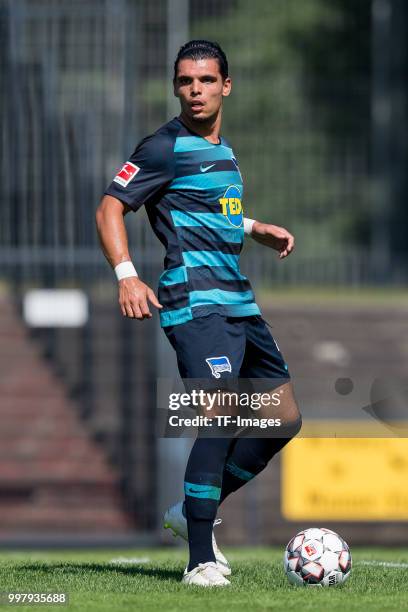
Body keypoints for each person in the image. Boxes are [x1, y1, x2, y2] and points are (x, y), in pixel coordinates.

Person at [96, 39, 302, 587]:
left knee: (282, 419)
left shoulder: (224, 149)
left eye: (207, 80)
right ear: (175, 86)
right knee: (218, 416)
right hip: (196, 304)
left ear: (225, 85)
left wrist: (255, 228)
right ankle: (200, 560)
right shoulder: (163, 146)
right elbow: (110, 206)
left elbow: (210, 211)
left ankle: (190, 512)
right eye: (186, 81)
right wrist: (127, 276)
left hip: (239, 299)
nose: (196, 90)